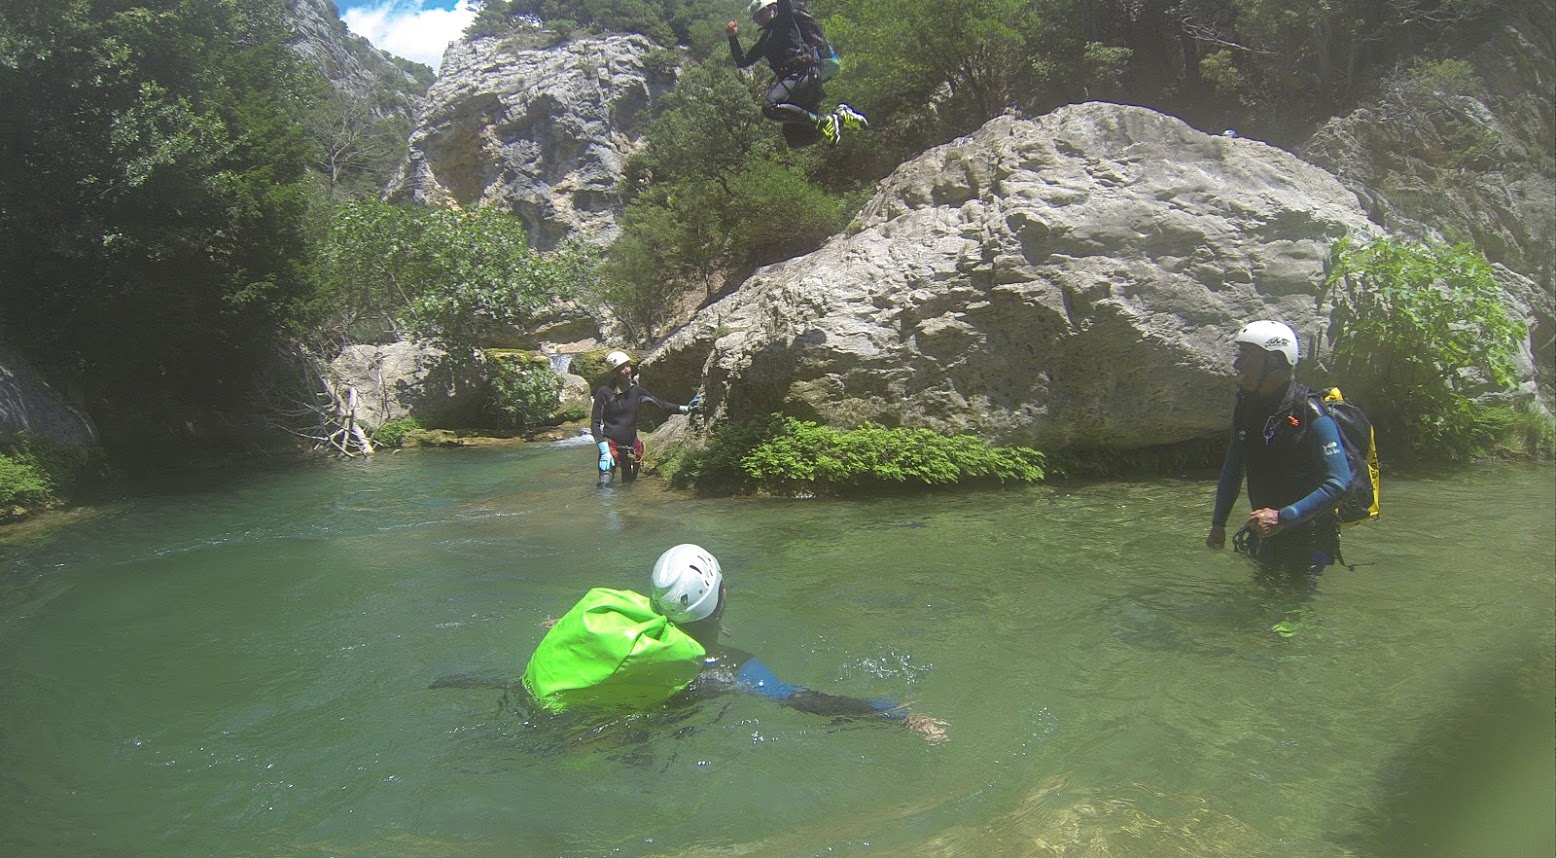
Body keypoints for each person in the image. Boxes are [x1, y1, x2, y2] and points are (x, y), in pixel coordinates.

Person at [523, 543, 949, 743]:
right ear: (721, 597)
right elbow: (799, 699)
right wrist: (895, 716)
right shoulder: (727, 666)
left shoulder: (616, 620)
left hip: (567, 716)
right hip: (651, 734)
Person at [1205, 320, 1352, 583]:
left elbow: (1339, 482)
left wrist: (1282, 518)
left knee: (1294, 614)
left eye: (1246, 357)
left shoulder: (1310, 413)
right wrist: (1219, 523)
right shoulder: (1246, 407)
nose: (1237, 365)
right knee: (1261, 609)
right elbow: (1233, 467)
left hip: (1308, 539)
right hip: (1265, 534)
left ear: (1274, 362)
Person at [727, 0, 867, 148]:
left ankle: (825, 121)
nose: (760, 19)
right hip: (795, 84)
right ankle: (840, 117)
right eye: (756, 17)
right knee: (797, 139)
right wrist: (732, 37)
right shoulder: (764, 41)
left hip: (803, 75)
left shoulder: (785, 20)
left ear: (773, 9)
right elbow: (742, 61)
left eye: (762, 14)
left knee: (770, 106)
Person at [591, 350, 700, 486]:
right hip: (610, 446)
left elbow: (661, 404)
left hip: (632, 447)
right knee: (604, 484)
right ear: (614, 372)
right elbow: (595, 425)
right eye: (622, 368)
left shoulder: (636, 391)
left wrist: (684, 409)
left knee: (629, 487)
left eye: (628, 366)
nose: (627, 370)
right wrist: (604, 450)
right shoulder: (604, 392)